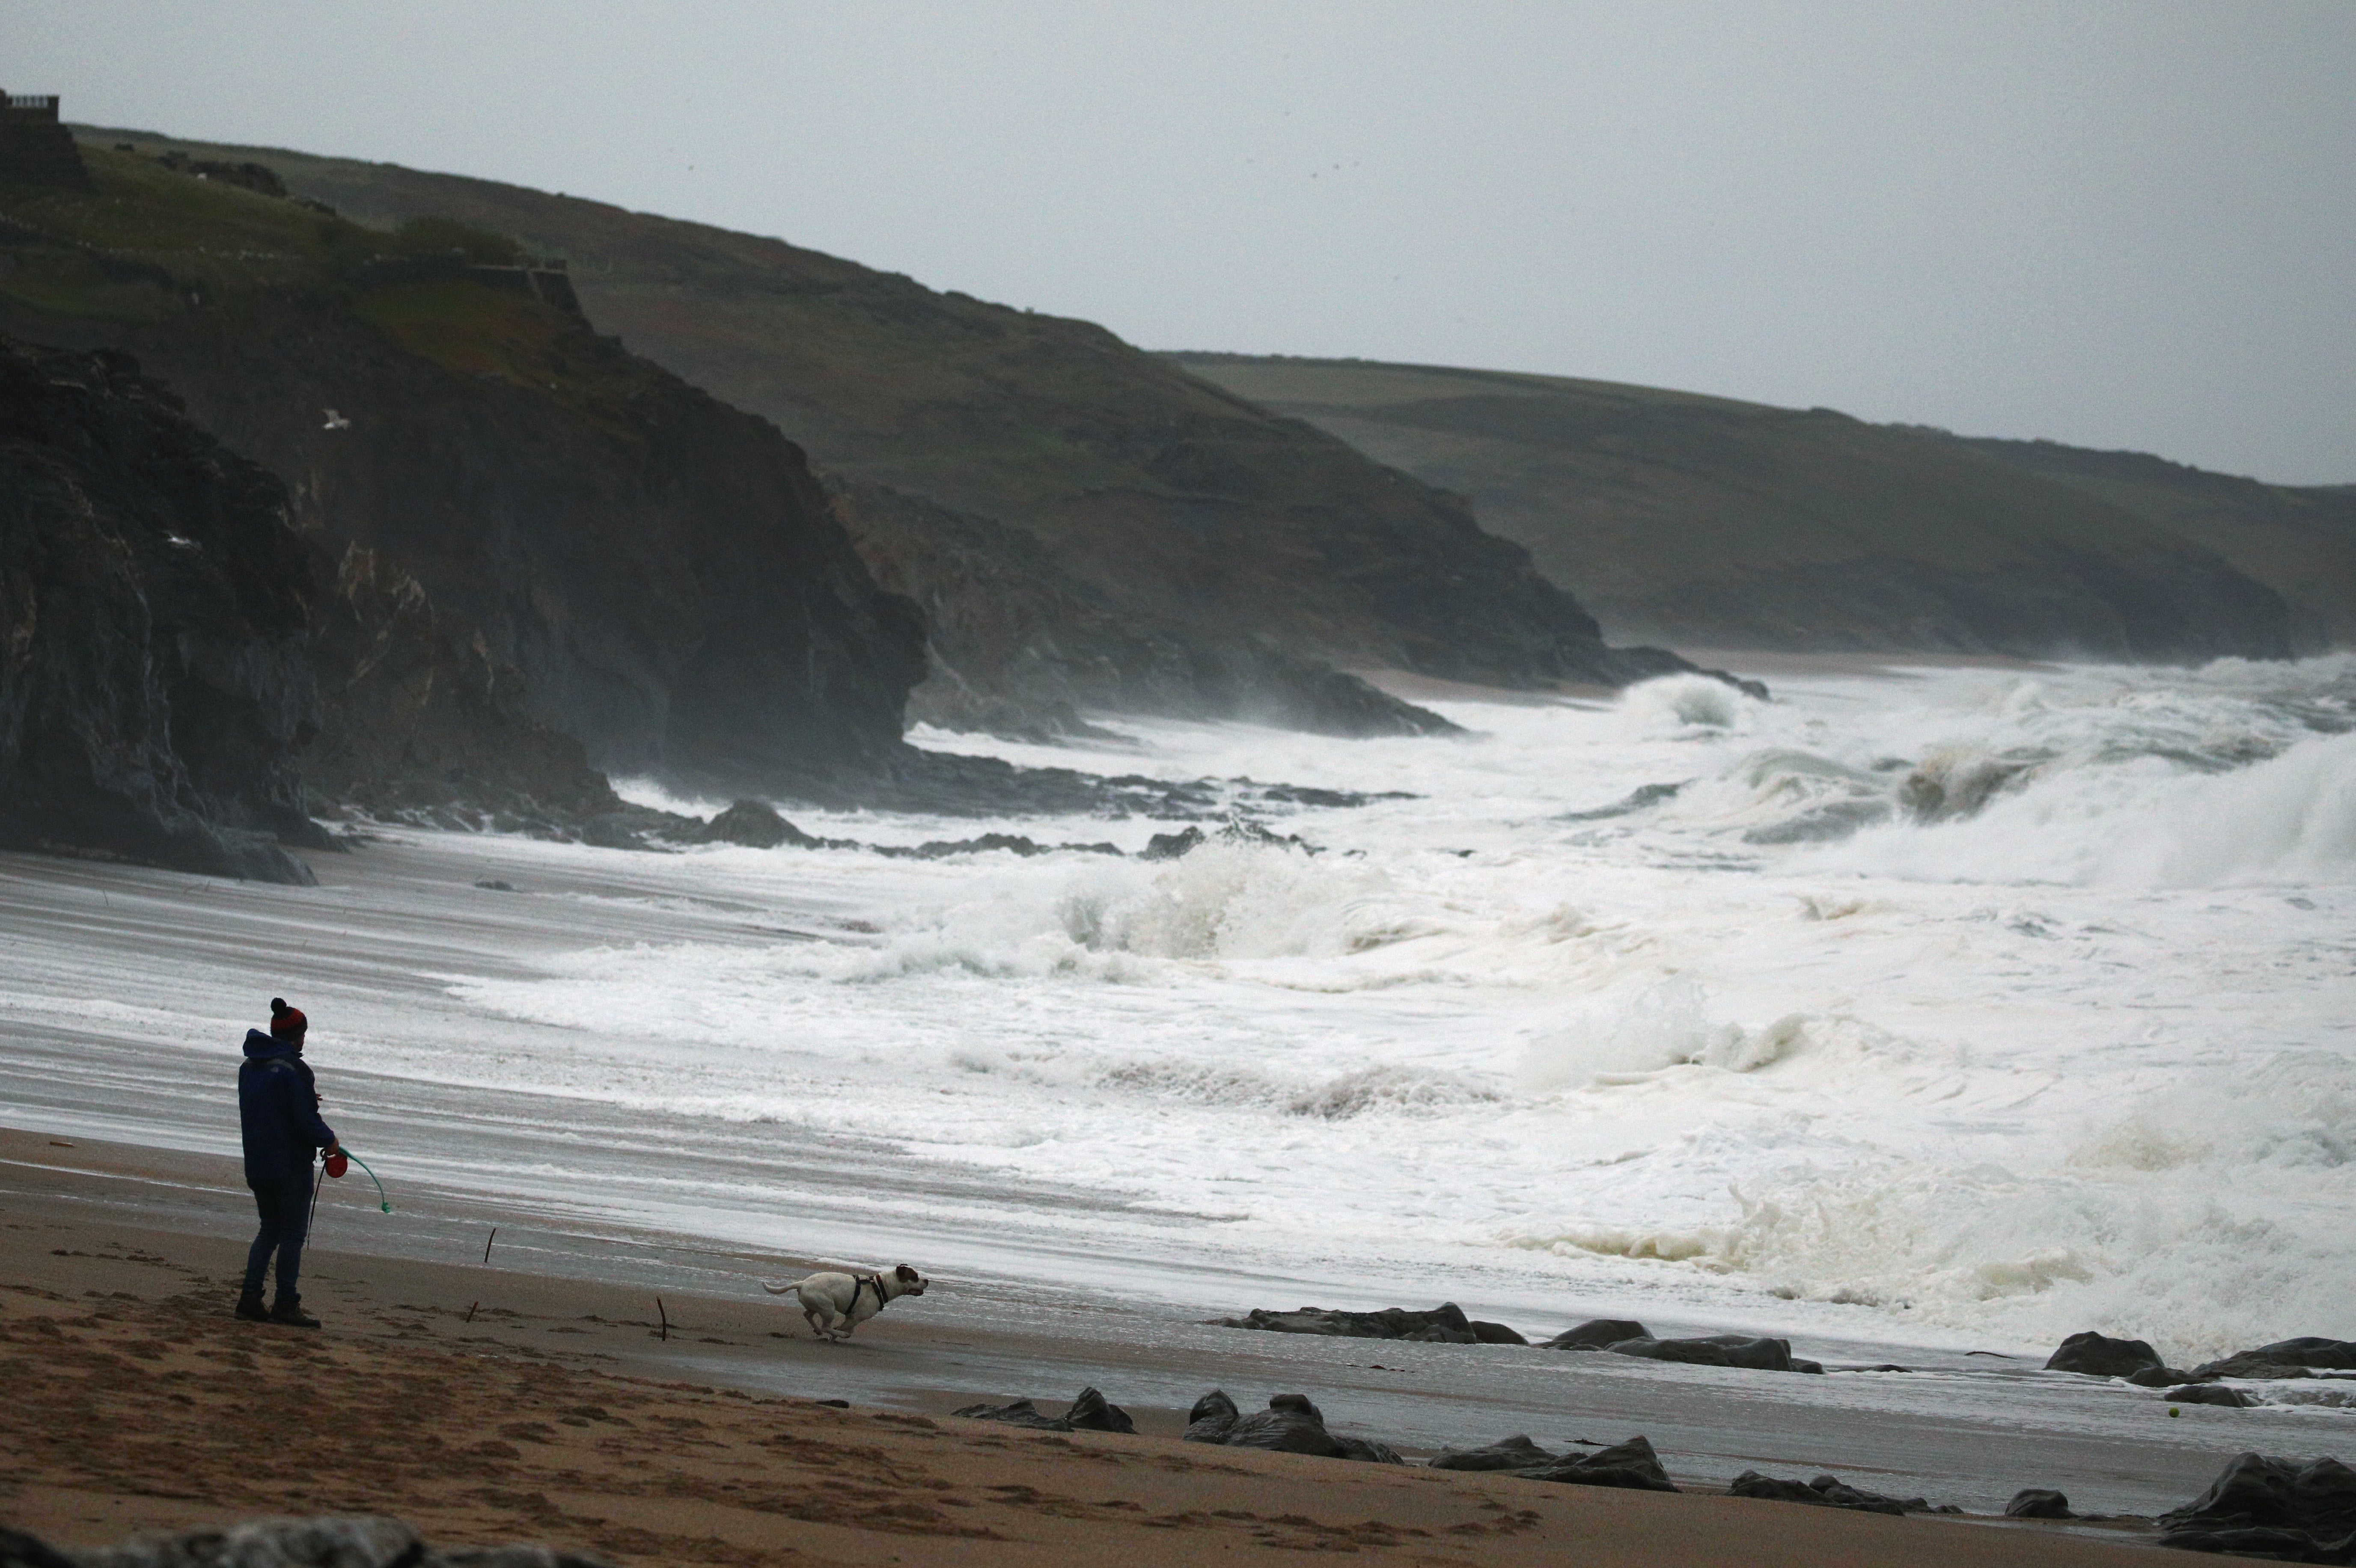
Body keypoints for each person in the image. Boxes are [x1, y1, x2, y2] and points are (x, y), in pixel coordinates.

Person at [235, 997, 339, 1327]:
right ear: (298, 1036)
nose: (305, 1038)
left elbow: (272, 1105)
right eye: (303, 1033)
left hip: (257, 1162)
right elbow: (305, 1121)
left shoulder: (250, 1067)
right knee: (293, 1234)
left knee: (269, 1230)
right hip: (290, 1165)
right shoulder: (296, 1070)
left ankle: (250, 1298)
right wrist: (331, 1142)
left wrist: (305, 1097)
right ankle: (285, 1303)